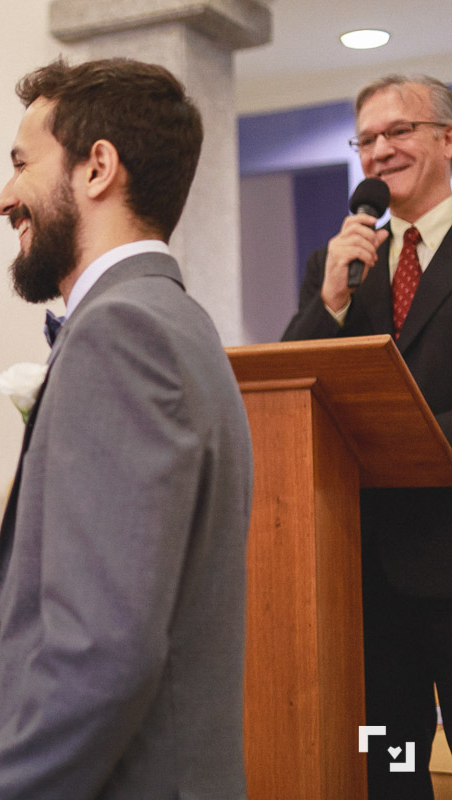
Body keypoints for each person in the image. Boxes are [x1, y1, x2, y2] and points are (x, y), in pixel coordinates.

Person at [0, 58, 254, 799]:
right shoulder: (177, 320)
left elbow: (102, 653)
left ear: (98, 167)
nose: (5, 198)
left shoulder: (121, 332)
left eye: (21, 164)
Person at [282, 74, 452, 799]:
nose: (380, 151)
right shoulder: (343, 265)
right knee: (388, 759)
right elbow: (292, 386)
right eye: (367, 139)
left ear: (448, 138)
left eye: (400, 131)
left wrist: (407, 441)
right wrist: (330, 300)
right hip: (367, 572)